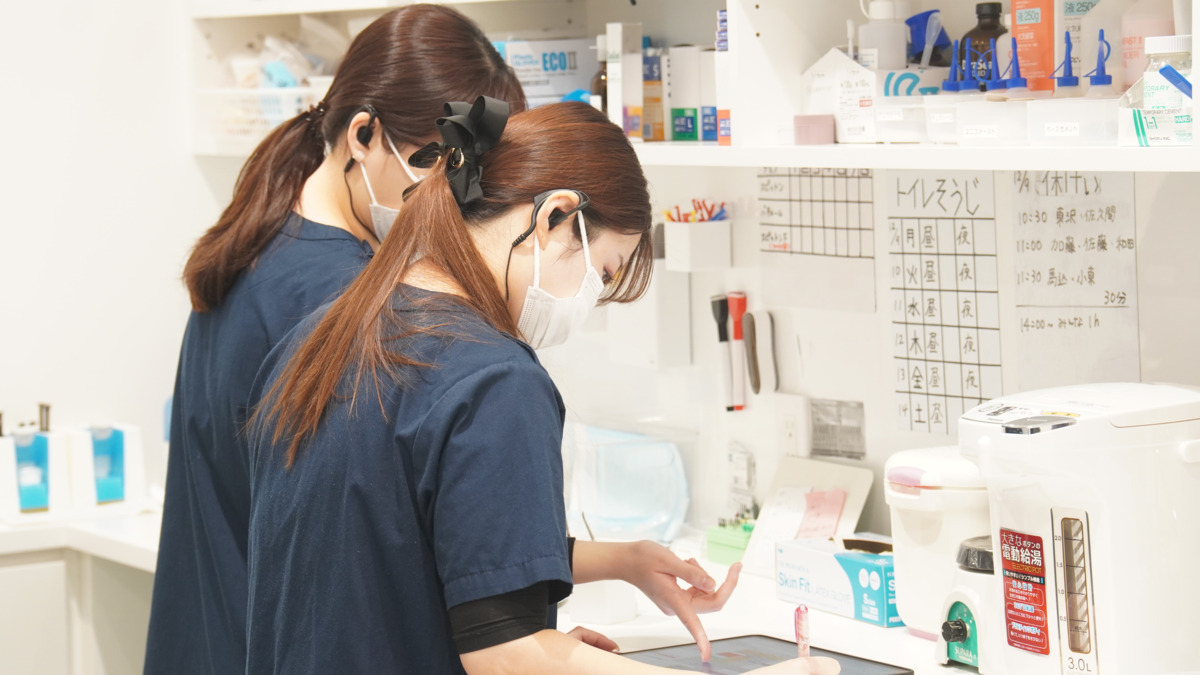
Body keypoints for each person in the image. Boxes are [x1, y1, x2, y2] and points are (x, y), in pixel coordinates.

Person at [246, 97, 839, 675]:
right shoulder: (493, 381)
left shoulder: (322, 334)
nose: (589, 300)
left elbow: (397, 546)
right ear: (555, 215)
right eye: (602, 272)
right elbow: (507, 656)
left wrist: (622, 562)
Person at [144, 6, 527, 673]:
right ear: (364, 135)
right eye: (438, 168)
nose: (455, 201)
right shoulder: (343, 300)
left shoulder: (262, 236)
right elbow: (373, 544)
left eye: (470, 178)